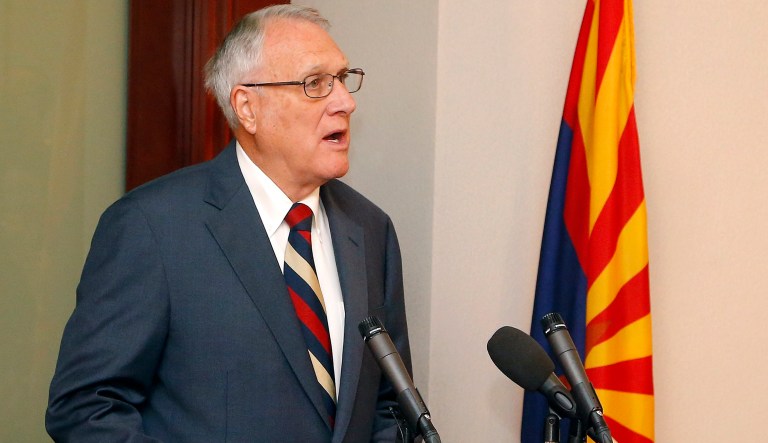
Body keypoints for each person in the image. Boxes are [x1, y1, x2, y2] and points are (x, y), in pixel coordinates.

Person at [45, 5, 412, 442]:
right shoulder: (153, 226)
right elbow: (87, 408)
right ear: (247, 107)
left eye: (344, 78)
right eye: (316, 84)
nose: (345, 102)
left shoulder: (369, 229)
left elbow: (389, 404)